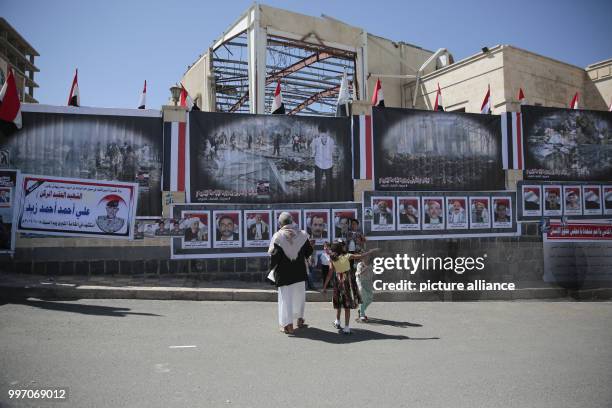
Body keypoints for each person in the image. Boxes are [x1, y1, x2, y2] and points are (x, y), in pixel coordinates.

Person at [268, 212, 314, 335]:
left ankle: (288, 326)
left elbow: (274, 257)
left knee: (286, 300)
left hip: (284, 274)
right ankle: (300, 320)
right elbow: (309, 251)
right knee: (299, 297)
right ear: (291, 221)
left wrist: (270, 270)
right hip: (299, 272)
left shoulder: (278, 236)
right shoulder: (302, 234)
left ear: (280, 223)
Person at [322, 241, 378, 335]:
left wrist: (324, 287)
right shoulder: (347, 256)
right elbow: (360, 256)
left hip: (338, 282)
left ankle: (337, 321)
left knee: (338, 302)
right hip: (347, 282)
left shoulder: (332, 259)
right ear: (341, 249)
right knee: (347, 305)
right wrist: (370, 252)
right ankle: (347, 328)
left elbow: (330, 273)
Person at [311, 124, 335, 195]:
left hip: (324, 164)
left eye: (324, 134)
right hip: (323, 164)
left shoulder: (330, 141)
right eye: (322, 134)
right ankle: (322, 195)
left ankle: (324, 195)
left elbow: (332, 151)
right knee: (322, 182)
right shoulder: (317, 140)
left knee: (324, 182)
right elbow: (313, 150)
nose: (323, 136)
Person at [355, 252, 375, 322]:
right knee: (363, 297)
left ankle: (361, 310)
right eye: (364, 257)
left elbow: (371, 274)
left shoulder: (371, 264)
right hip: (360, 281)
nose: (366, 258)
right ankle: (362, 314)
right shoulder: (360, 264)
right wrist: (366, 268)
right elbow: (360, 273)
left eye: (367, 257)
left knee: (370, 299)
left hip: (368, 282)